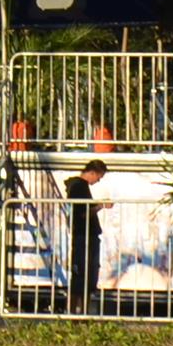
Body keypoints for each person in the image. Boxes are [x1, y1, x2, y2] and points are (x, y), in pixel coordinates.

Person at [63, 123, 115, 314]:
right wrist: (100, 206)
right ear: (92, 173)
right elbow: (82, 213)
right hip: (83, 236)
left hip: (86, 235)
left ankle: (80, 310)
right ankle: (76, 311)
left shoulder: (79, 187)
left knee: (86, 276)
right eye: (98, 178)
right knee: (81, 276)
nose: (97, 181)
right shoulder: (78, 187)